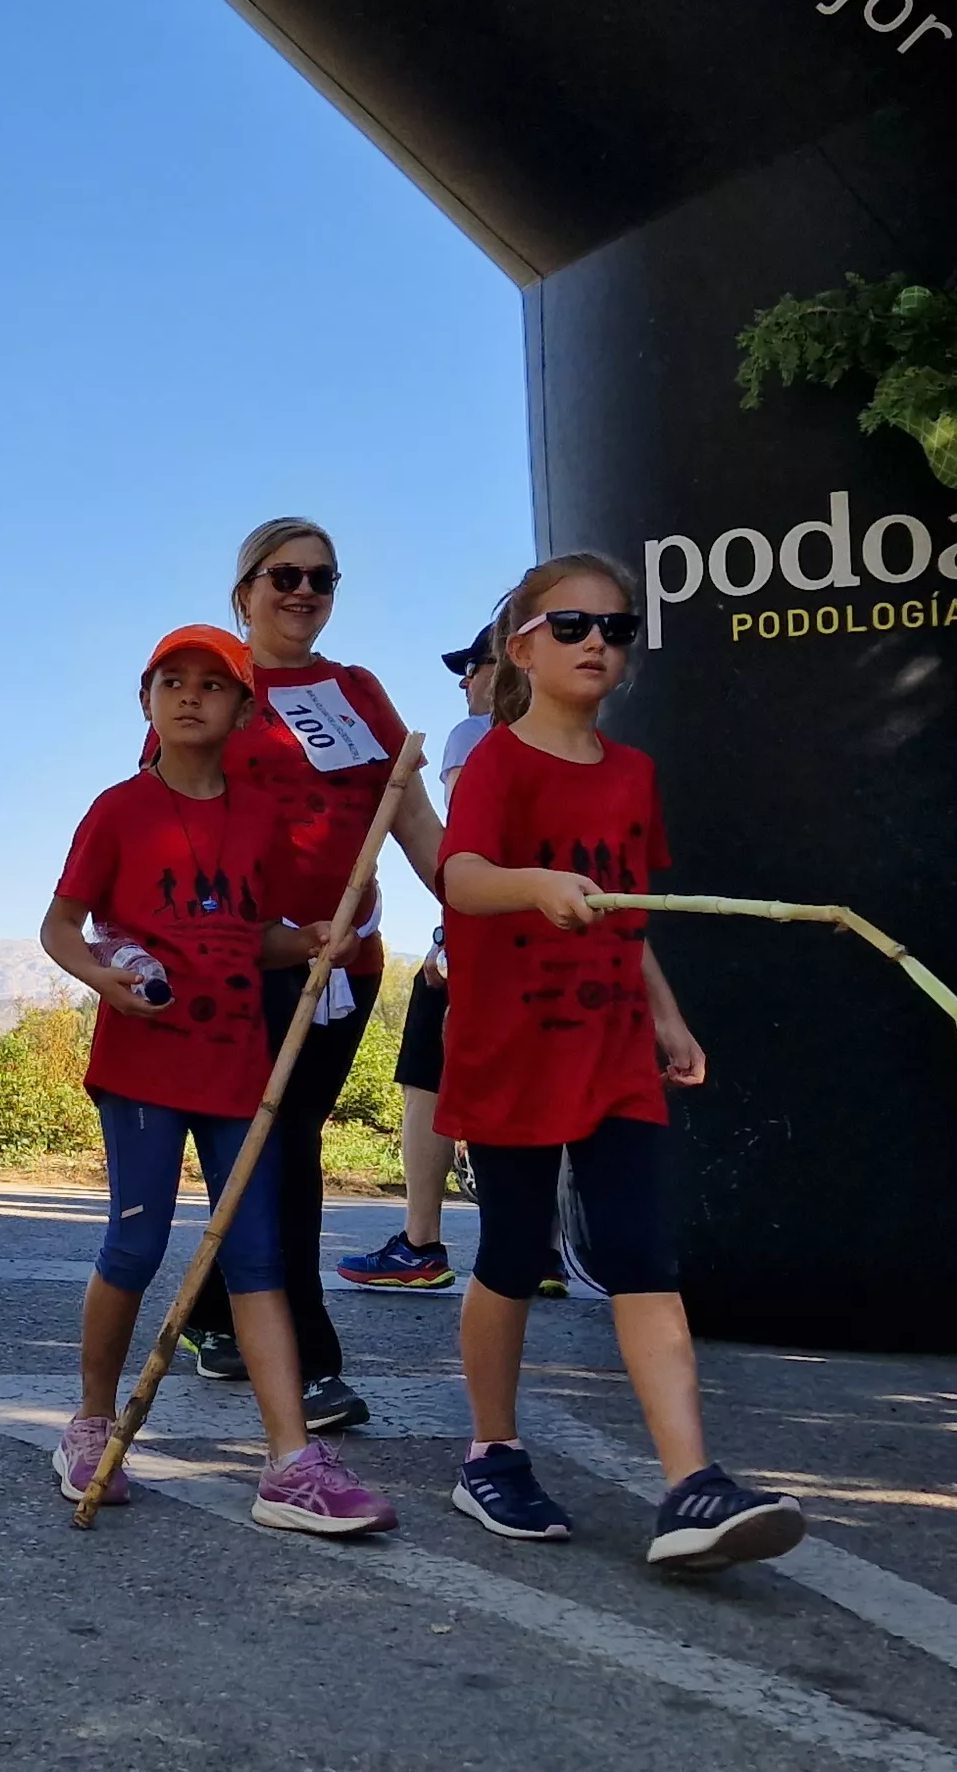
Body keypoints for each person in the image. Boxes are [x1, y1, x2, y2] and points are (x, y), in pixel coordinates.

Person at [434, 552, 804, 1572]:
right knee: (512, 1254)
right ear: (522, 646)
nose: (597, 641)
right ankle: (490, 1453)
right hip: (513, 1049)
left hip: (611, 1048)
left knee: (643, 1254)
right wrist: (531, 883)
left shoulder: (633, 776)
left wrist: (668, 1021)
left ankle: (690, 1484)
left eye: (615, 629)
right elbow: (460, 879)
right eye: (572, 626)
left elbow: (631, 918)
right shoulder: (496, 764)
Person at [45, 623, 396, 1536]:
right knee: (137, 1243)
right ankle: (89, 1425)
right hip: (142, 1065)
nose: (190, 695)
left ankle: (290, 1464)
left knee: (256, 1255)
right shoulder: (117, 809)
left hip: (241, 1069)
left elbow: (253, 932)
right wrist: (102, 976)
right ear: (147, 701)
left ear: (245, 709)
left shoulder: (257, 817)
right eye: (172, 680)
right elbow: (60, 928)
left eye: (213, 682)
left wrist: (314, 940)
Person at [169, 520, 446, 1436]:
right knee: (283, 1148)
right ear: (243, 589)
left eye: (323, 577)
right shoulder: (213, 679)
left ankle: (217, 1315)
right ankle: (306, 1359)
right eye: (283, 575)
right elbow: (167, 814)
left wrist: (466, 894)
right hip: (252, 958)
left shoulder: (356, 689)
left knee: (285, 1140)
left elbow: (406, 812)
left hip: (349, 961)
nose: (304, 590)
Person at [339, 635, 500, 1289]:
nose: (464, 682)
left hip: (484, 927)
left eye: (472, 667)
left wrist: (451, 936)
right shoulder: (573, 739)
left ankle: (420, 1241)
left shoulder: (474, 734)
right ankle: (542, 1247)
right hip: (550, 929)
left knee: (427, 1079)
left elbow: (466, 845)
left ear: (511, 660)